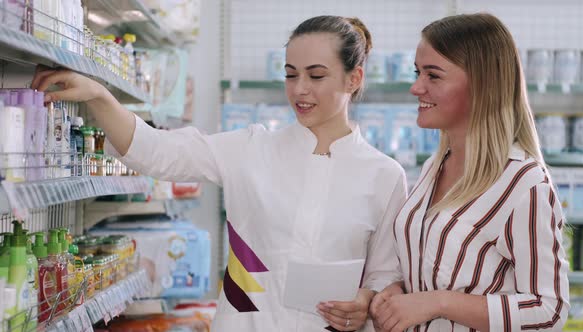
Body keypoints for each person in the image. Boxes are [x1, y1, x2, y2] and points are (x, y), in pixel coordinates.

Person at [32, 16, 407, 331]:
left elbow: (384, 274)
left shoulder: (384, 176)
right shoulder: (251, 148)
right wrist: (99, 96)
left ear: (353, 79)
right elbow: (156, 153)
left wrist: (366, 300)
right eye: (291, 75)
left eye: (316, 75)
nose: (299, 90)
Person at [369, 13, 570, 332]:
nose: (415, 87)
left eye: (433, 76)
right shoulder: (433, 167)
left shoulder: (524, 185)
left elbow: (548, 310)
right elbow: (431, 268)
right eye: (417, 72)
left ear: (482, 84)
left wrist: (438, 302)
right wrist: (399, 293)